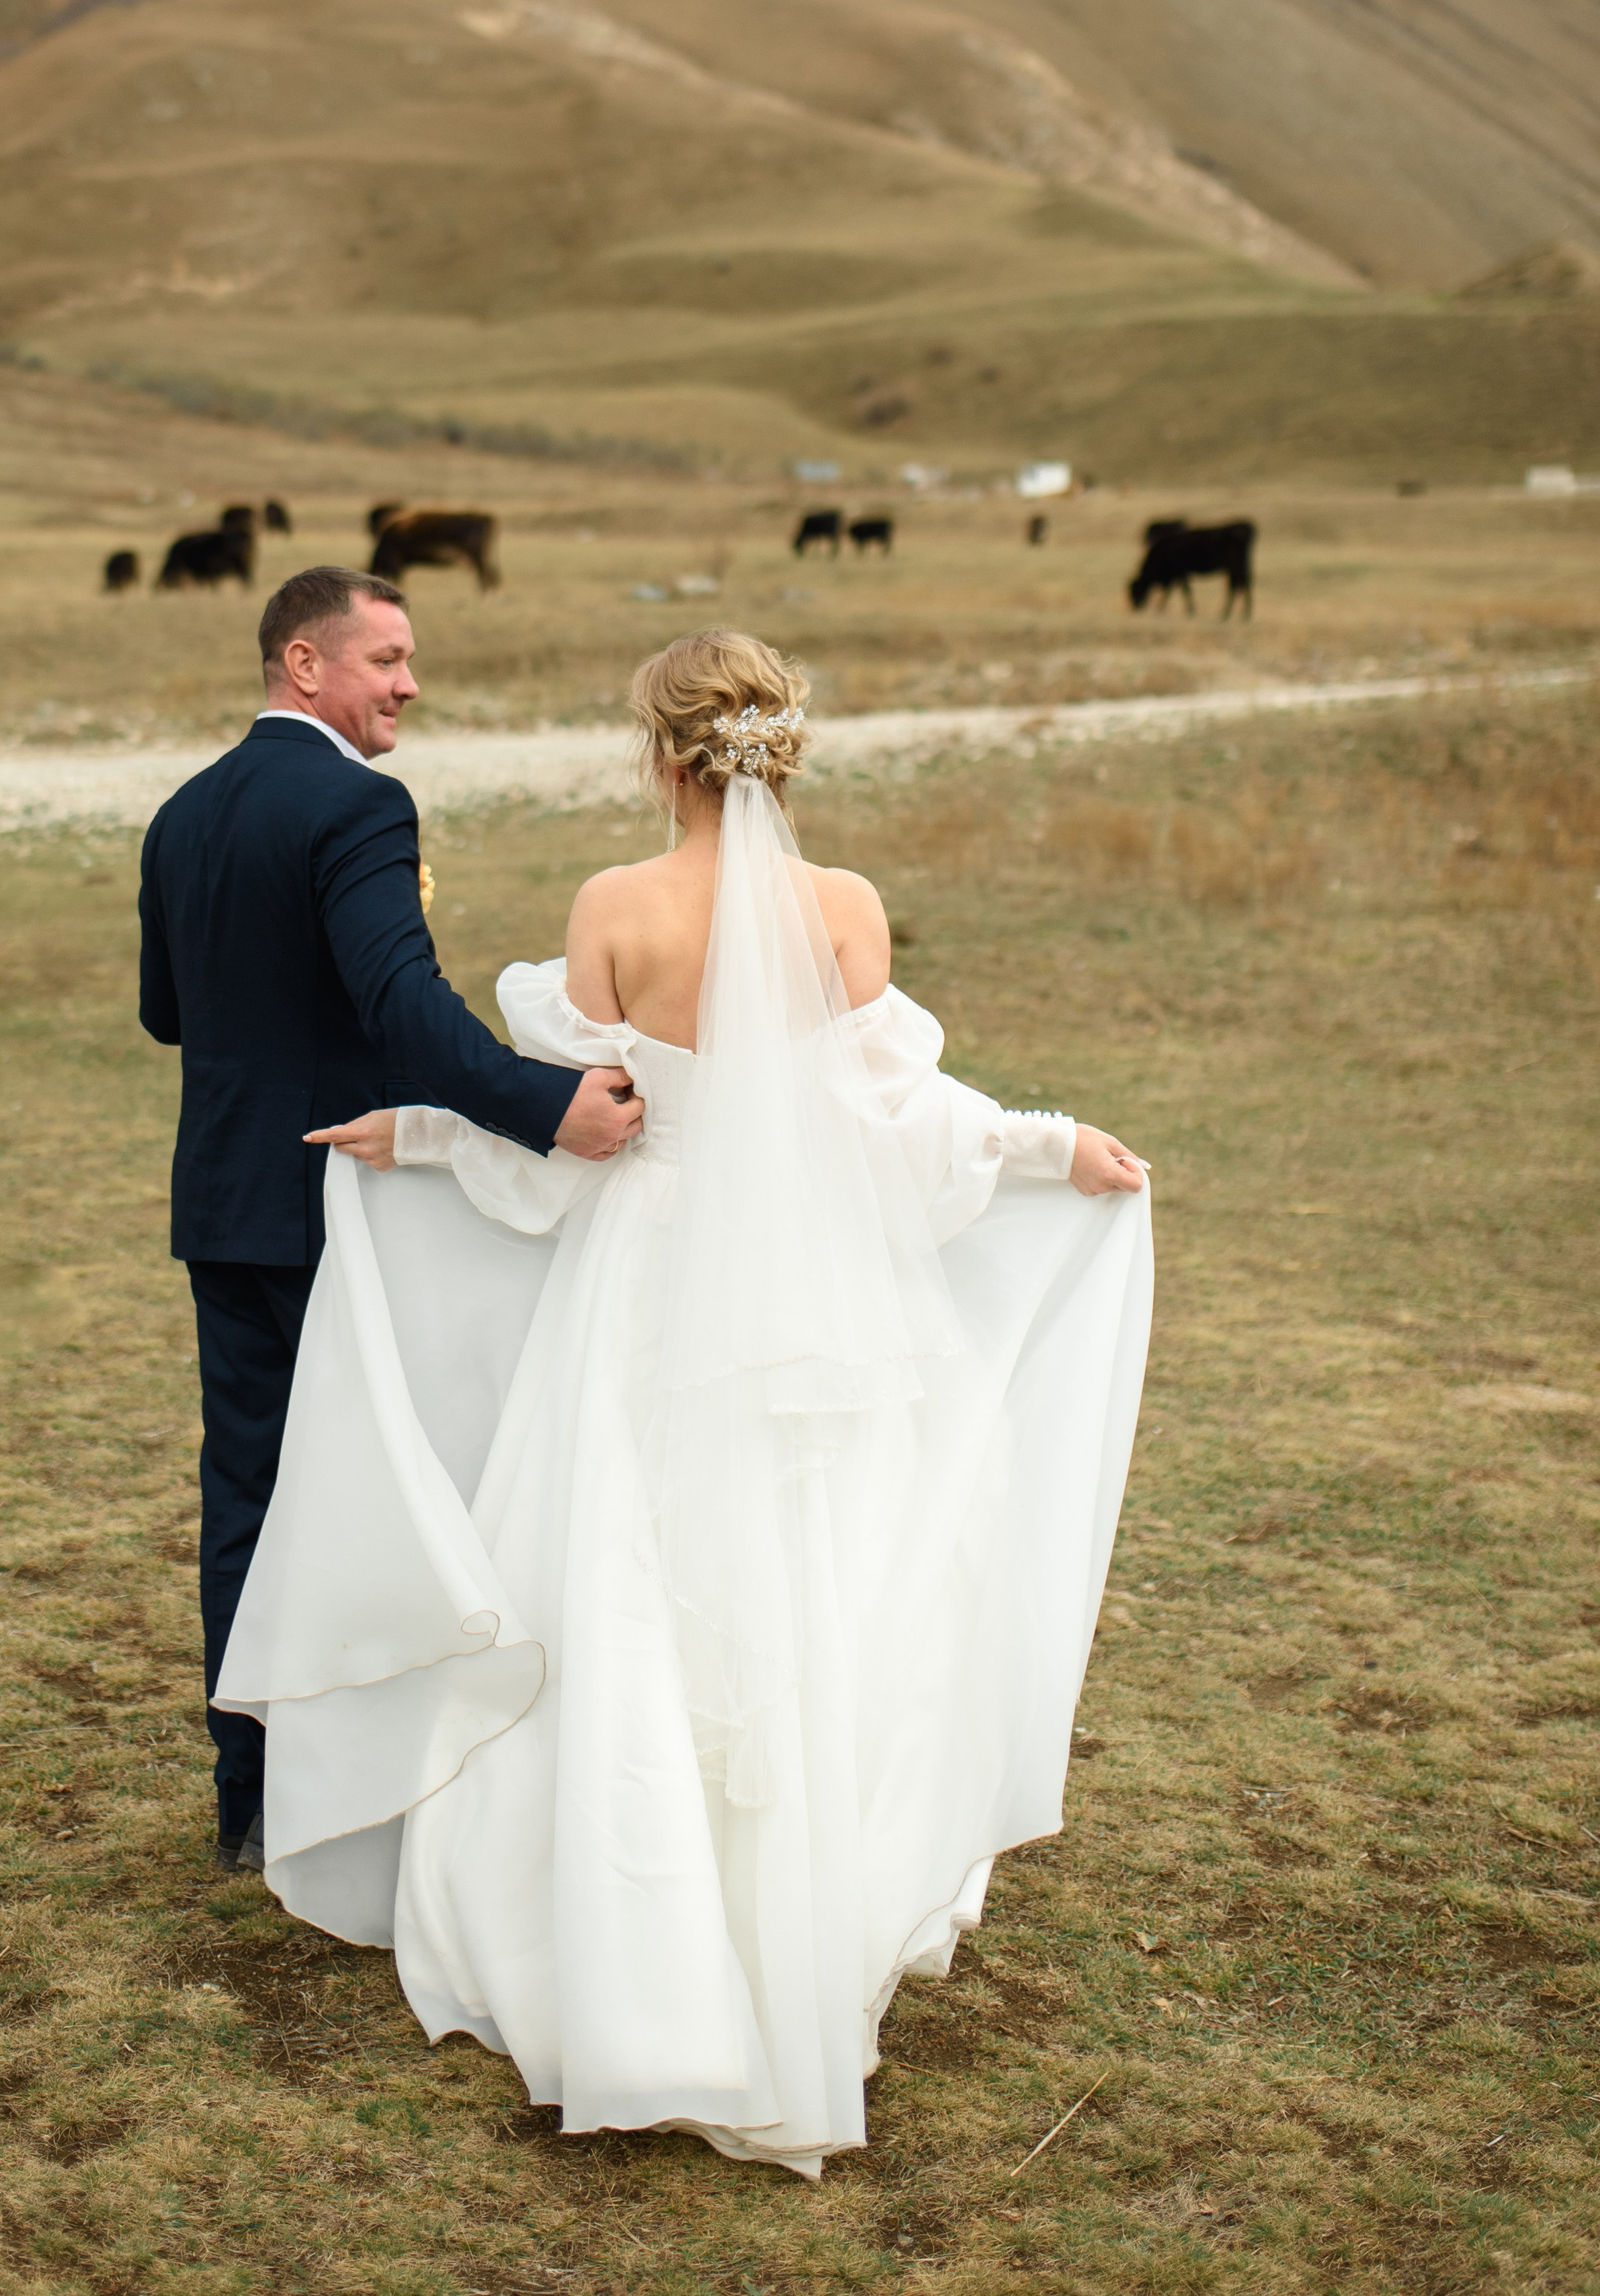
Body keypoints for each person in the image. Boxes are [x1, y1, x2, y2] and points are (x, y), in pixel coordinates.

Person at [214, 628, 1153, 2176]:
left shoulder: (615, 910)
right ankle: (792, 1930)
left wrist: (427, 1137)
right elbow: (894, 1125)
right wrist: (1050, 1144)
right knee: (794, 1588)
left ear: (657, 753)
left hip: (648, 1289)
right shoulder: (841, 909)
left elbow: (570, 1133)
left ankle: (629, 1955)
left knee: (624, 1589)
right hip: (811, 1305)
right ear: (779, 750)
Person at [137, 566, 642, 1875]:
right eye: (388, 660)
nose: (411, 685)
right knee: (378, 1493)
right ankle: (364, 1796)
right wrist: (547, 1105)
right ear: (305, 666)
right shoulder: (359, 805)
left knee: (247, 1496)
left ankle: (249, 1799)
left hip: (225, 1199)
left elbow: (167, 1013)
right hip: (340, 1207)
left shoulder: (183, 813)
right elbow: (404, 1010)